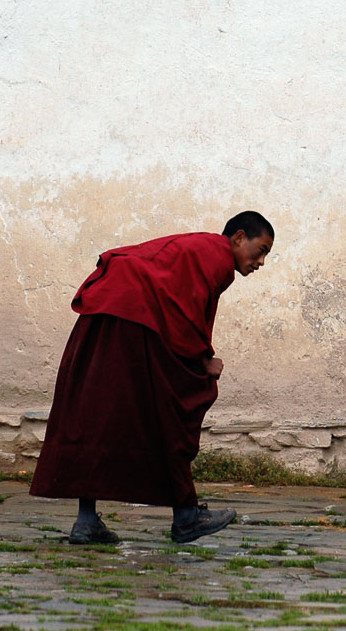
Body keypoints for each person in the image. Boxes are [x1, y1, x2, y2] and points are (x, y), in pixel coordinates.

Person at [29, 212, 275, 544]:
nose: (260, 262)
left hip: (111, 314)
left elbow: (176, 299)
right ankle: (186, 517)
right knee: (167, 412)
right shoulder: (216, 255)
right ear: (239, 237)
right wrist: (203, 359)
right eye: (260, 250)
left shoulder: (206, 251)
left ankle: (87, 521)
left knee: (96, 415)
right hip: (129, 317)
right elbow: (184, 308)